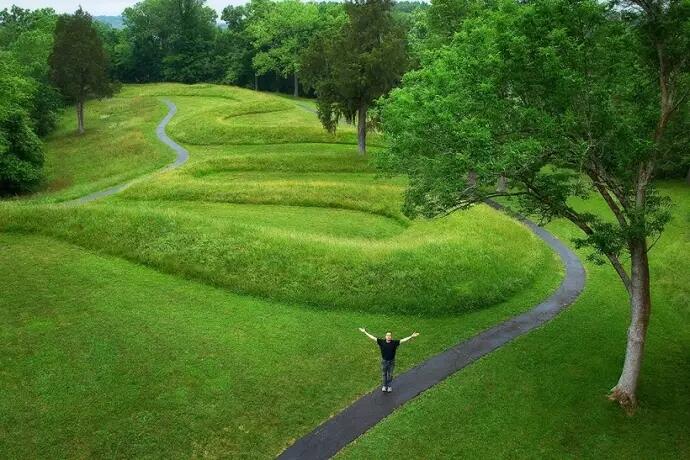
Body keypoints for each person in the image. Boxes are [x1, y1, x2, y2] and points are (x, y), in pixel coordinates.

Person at [358, 328, 419, 392]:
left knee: (390, 375)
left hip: (391, 362)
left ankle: (389, 386)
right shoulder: (381, 342)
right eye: (387, 335)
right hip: (384, 361)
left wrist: (411, 336)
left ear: (391, 337)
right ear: (385, 336)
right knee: (384, 374)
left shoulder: (394, 343)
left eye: (390, 335)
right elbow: (373, 338)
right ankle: (384, 386)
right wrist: (365, 332)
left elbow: (403, 340)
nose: (388, 336)